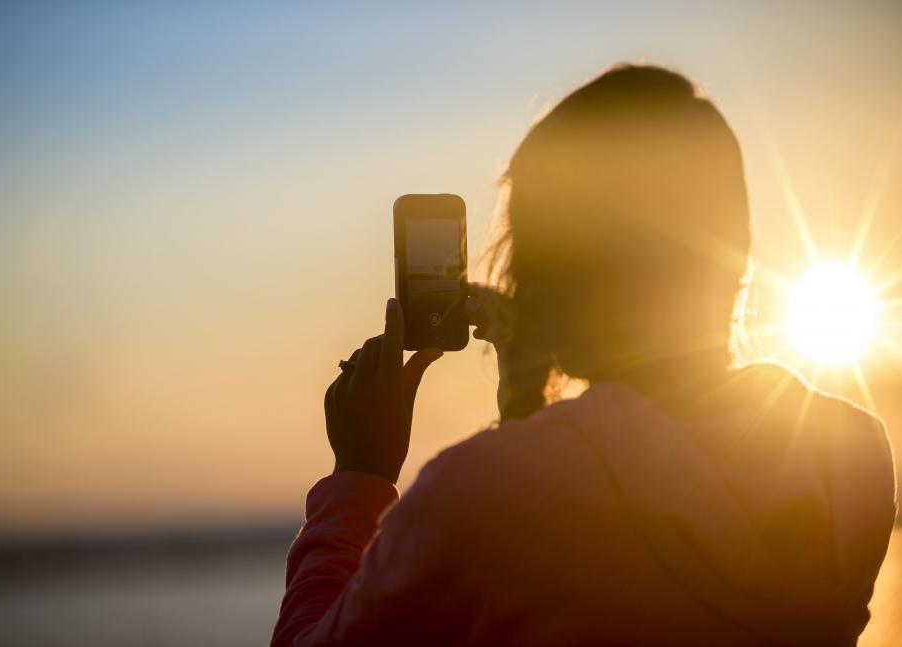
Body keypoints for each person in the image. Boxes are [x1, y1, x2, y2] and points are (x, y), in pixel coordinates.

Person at [270, 65, 897, 646]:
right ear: (737, 245)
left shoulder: (482, 492)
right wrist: (524, 406)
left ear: (544, 269)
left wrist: (359, 473)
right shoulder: (855, 457)